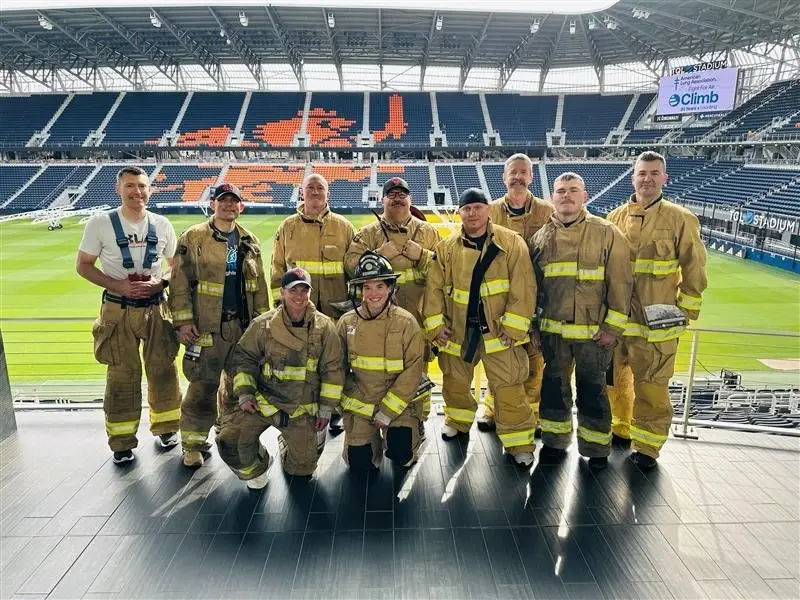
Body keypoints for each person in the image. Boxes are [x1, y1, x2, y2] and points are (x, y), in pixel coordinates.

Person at [607, 151, 708, 469]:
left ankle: (647, 448)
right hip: (618, 321)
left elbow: (695, 269)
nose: (647, 179)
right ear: (632, 177)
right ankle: (620, 429)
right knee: (613, 382)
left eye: (654, 173)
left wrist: (684, 314)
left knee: (651, 387)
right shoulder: (614, 218)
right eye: (642, 173)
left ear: (664, 178)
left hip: (657, 325)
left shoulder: (680, 219)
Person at [423, 188, 538, 467]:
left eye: (477, 207)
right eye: (467, 208)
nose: (472, 213)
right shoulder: (446, 249)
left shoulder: (511, 243)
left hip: (501, 334)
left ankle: (519, 443)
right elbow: (434, 290)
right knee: (455, 381)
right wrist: (436, 327)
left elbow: (524, 287)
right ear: (460, 212)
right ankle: (458, 422)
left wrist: (513, 327)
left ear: (488, 209)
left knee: (509, 388)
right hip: (458, 332)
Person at [76, 166, 180, 464]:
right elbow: (83, 265)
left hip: (157, 307)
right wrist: (117, 284)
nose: (137, 192)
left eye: (143, 186)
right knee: (121, 373)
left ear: (150, 190)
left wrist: (161, 282)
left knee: (163, 369)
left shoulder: (161, 224)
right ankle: (121, 441)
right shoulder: (100, 224)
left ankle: (167, 428)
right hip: (117, 309)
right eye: (131, 186)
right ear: (118, 189)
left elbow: (174, 264)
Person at [529, 172, 632, 470]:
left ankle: (597, 448)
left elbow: (622, 284)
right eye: (560, 191)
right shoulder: (540, 237)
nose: (566, 196)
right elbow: (533, 288)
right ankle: (555, 441)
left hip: (594, 336)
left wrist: (613, 328)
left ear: (584, 196)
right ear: (552, 198)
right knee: (553, 388)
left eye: (573, 190)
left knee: (593, 390)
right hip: (553, 334)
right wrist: (534, 327)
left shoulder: (607, 233)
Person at [168, 183, 269, 468]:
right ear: (213, 204)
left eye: (233, 201)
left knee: (241, 388)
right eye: (222, 200)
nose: (228, 205)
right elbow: (178, 283)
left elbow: (259, 288)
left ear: (241, 206)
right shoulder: (194, 237)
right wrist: (183, 320)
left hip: (243, 328)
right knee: (202, 386)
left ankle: (228, 435)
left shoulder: (250, 241)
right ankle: (192, 445)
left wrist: (262, 328)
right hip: (206, 327)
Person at [216, 268, 344, 489]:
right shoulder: (262, 325)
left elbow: (333, 370)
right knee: (230, 441)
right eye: (293, 290)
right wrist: (246, 393)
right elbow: (243, 359)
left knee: (302, 470)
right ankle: (258, 467)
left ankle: (289, 443)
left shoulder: (325, 328)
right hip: (263, 405)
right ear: (282, 293)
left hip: (301, 409)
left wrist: (326, 410)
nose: (299, 296)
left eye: (304, 290)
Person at [344, 177, 441, 430]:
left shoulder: (428, 232)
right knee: (377, 371)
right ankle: (375, 419)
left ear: (410, 200)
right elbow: (350, 265)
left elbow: (447, 270)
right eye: (391, 194)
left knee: (417, 372)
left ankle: (418, 421)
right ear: (383, 200)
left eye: (402, 194)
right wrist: (377, 257)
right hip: (377, 323)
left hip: (418, 320)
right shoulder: (367, 234)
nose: (397, 198)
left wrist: (421, 256)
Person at [480, 153, 554, 434]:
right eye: (513, 172)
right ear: (504, 177)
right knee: (499, 359)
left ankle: (531, 415)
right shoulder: (490, 211)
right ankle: (492, 408)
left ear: (531, 177)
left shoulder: (547, 212)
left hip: (537, 301)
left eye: (523, 172)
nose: (518, 177)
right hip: (498, 301)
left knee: (534, 360)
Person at [336, 252, 426, 472]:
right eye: (367, 287)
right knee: (359, 464)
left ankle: (411, 433)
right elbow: (335, 368)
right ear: (358, 290)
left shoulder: (406, 322)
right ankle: (369, 443)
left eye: (379, 286)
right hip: (361, 403)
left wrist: (387, 412)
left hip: (398, 404)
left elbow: (413, 372)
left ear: (390, 288)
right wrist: (342, 405)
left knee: (400, 452)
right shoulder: (346, 322)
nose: (373, 294)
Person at [270, 173, 355, 320]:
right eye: (310, 187)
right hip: (297, 309)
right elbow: (278, 267)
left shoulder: (345, 227)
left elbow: (355, 270)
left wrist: (354, 303)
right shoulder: (287, 226)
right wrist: (279, 301)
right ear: (302, 192)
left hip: (336, 311)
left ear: (328, 194)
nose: (315, 192)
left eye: (320, 188)